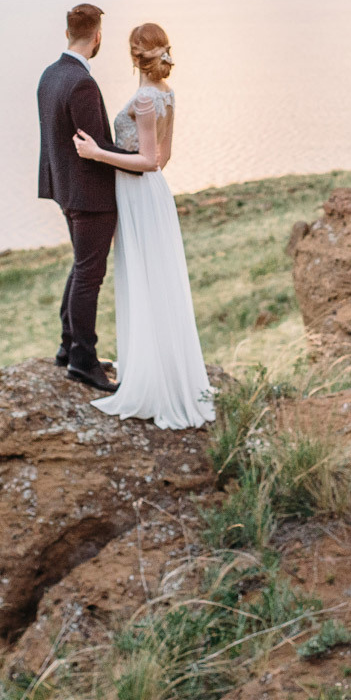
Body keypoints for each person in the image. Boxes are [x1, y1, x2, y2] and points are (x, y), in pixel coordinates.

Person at [71, 22, 215, 429]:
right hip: (152, 194)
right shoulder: (167, 95)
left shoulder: (146, 99)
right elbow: (163, 161)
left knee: (145, 279)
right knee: (155, 279)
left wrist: (98, 153)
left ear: (135, 55)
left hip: (138, 193)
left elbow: (150, 159)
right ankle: (157, 366)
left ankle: (152, 380)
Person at [36, 3, 142, 392]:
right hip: (90, 196)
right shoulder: (81, 83)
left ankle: (68, 348)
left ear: (68, 33)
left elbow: (56, 141)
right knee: (88, 277)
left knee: (81, 267)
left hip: (64, 189)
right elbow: (96, 147)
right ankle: (83, 359)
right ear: (98, 37)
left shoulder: (50, 75)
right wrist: (143, 164)